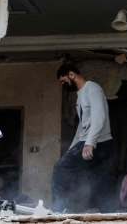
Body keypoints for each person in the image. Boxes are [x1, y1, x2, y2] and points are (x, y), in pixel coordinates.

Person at [52, 63, 116, 212]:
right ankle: (111, 214)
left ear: (71, 75)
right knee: (97, 181)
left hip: (99, 143)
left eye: (64, 81)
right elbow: (82, 127)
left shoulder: (91, 88)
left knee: (60, 168)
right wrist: (71, 151)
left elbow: (99, 117)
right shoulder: (81, 94)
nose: (64, 85)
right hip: (95, 142)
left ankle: (57, 210)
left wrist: (90, 143)